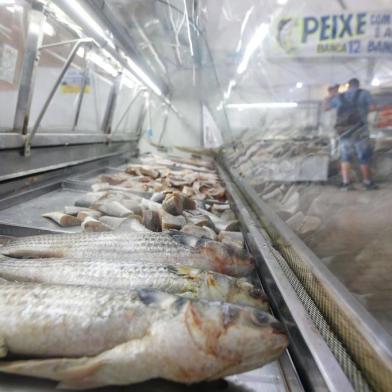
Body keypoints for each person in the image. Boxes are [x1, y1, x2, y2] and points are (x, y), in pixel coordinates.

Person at [324, 78, 377, 190]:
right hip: (360, 129)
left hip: (344, 131)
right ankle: (367, 183)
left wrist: (331, 96)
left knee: (345, 157)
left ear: (348, 86)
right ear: (358, 85)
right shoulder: (364, 93)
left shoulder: (340, 96)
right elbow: (373, 108)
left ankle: (346, 183)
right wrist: (364, 110)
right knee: (363, 157)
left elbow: (326, 108)